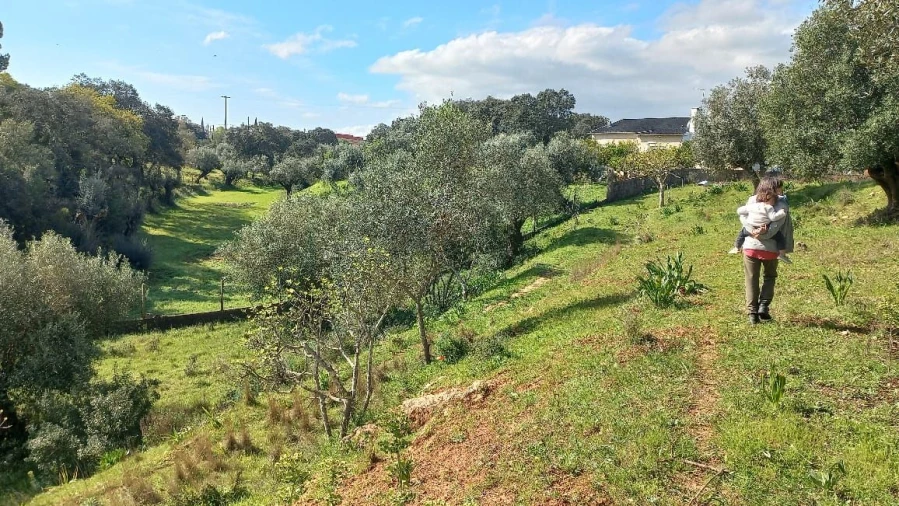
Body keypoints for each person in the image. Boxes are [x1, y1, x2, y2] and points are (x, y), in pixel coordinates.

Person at [740, 177, 791, 324]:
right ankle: (763, 306)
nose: (782, 191)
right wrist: (763, 233)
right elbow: (774, 229)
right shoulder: (781, 204)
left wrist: (752, 231)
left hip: (750, 246)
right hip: (770, 249)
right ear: (774, 189)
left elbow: (743, 217)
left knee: (751, 279)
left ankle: (752, 314)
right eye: (780, 188)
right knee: (769, 277)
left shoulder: (751, 200)